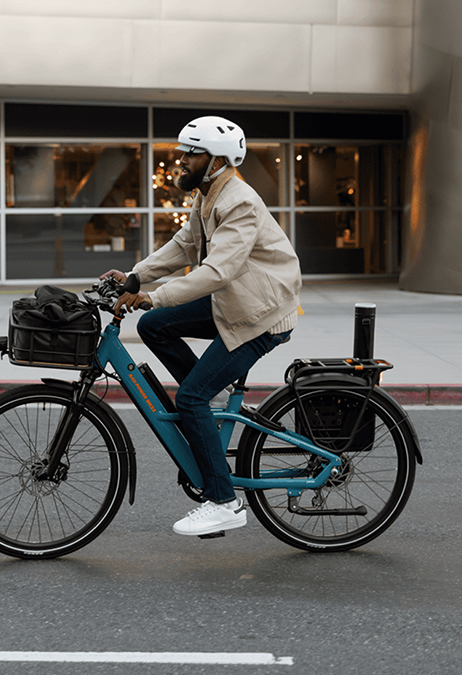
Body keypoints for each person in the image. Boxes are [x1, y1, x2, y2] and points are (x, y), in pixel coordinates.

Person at [102, 115, 302, 537]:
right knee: (155, 327)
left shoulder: (239, 201)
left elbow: (217, 271)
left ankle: (224, 502)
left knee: (190, 398)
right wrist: (137, 277)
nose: (181, 161)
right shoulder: (208, 195)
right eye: (183, 153)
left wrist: (154, 295)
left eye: (191, 154)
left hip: (260, 314)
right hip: (236, 300)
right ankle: (213, 395)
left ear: (217, 160)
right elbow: (184, 246)